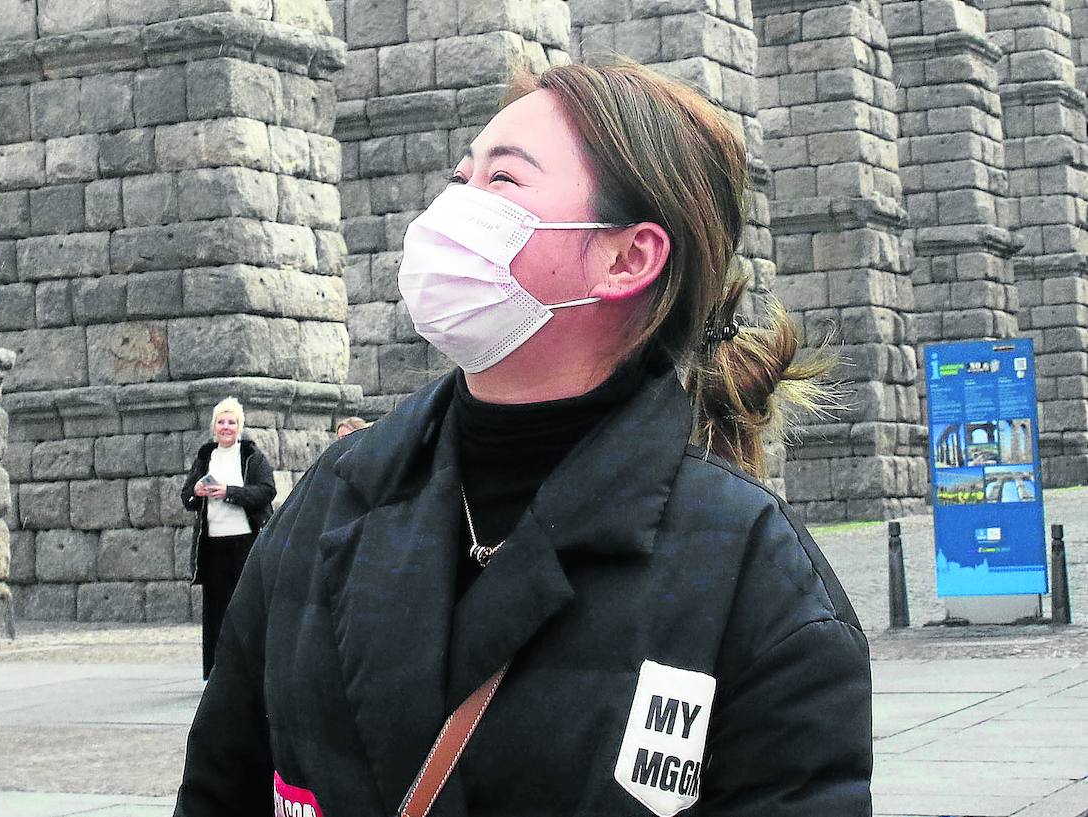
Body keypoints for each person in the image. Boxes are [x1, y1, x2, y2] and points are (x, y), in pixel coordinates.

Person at [174, 57, 871, 817]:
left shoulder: (756, 578)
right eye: (460, 177)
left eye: (502, 182)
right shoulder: (333, 498)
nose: (450, 211)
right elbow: (221, 783)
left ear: (628, 257)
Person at [178, 397, 276, 680]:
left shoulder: (251, 456)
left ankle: (250, 669)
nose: (226, 427)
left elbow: (266, 490)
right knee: (215, 610)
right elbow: (187, 497)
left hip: (244, 541)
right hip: (213, 544)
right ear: (214, 427)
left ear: (239, 426)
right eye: (221, 422)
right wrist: (197, 491)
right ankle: (217, 672)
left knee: (245, 605)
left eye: (231, 422)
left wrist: (229, 492)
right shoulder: (206, 455)